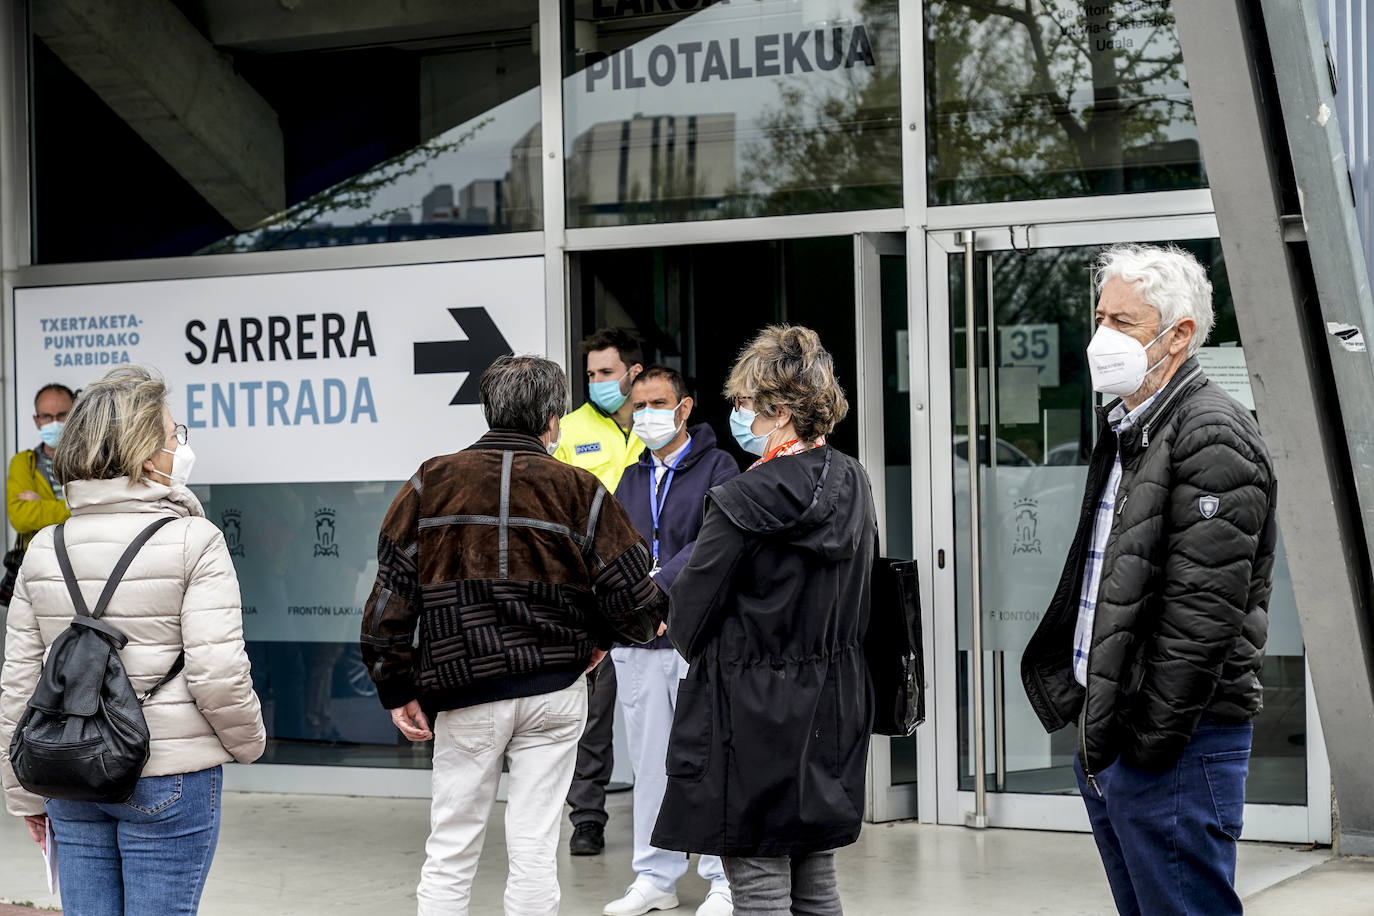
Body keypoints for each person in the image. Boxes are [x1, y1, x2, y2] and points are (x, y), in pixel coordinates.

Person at [1021, 244, 1278, 916]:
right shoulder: (1131, 428)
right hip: (1117, 736)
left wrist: (1145, 745)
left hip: (1172, 746)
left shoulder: (1211, 434)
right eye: (1100, 316)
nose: (1102, 335)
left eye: (1124, 322)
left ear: (1179, 334)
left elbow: (1202, 620)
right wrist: (1098, 734)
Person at [361, 354, 665, 916]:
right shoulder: (580, 489)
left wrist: (394, 684)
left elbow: (390, 595)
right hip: (554, 689)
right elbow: (633, 594)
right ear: (552, 419)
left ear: (489, 410)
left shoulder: (432, 480)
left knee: (451, 846)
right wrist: (606, 634)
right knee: (534, 847)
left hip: (465, 687)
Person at [0, 366, 266, 915]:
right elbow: (218, 673)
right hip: (168, 774)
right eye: (174, 437)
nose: (181, 447)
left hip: (67, 772)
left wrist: (20, 790)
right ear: (147, 457)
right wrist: (247, 744)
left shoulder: (45, 547)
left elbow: (21, 683)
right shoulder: (197, 540)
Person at [652, 326, 876, 916]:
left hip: (748, 708)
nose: (737, 414)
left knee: (756, 879)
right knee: (815, 873)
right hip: (833, 699)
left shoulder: (742, 497)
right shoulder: (853, 480)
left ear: (779, 412)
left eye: (745, 403)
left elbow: (690, 612)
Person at [604, 366, 738, 916]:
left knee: (704, 756)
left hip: (691, 635)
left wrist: (659, 590)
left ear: (684, 408)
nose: (646, 416)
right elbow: (614, 542)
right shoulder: (632, 475)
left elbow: (713, 539)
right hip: (638, 640)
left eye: (658, 403)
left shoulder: (719, 466)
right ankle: (655, 877)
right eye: (638, 406)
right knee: (649, 761)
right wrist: (631, 600)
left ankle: (722, 878)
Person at [554, 327, 646, 856]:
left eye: (606, 373)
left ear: (633, 373)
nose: (596, 383)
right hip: (593, 592)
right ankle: (587, 816)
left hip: (654, 588)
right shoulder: (568, 431)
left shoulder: (662, 425)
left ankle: (672, 817)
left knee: (669, 710)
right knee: (594, 714)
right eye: (590, 375)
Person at [6, 384, 77, 558]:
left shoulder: (94, 460)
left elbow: (100, 511)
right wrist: (75, 508)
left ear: (76, 414)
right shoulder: (23, 463)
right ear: (37, 421)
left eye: (62, 415)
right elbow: (21, 517)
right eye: (46, 416)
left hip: (85, 561)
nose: (54, 423)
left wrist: (41, 503)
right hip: (42, 563)